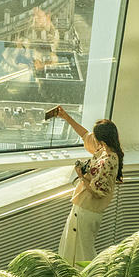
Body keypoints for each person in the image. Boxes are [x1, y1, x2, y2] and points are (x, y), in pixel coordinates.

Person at [44, 105, 123, 266]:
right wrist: (66, 117)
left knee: (81, 251)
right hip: (85, 208)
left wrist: (81, 176)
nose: (93, 138)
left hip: (87, 209)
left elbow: (97, 190)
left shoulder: (108, 160)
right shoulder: (105, 151)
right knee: (73, 247)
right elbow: (85, 135)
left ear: (102, 139)